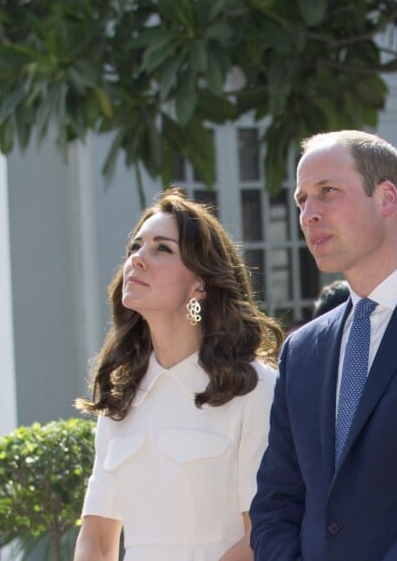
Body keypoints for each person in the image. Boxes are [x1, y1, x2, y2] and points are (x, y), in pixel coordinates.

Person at [250, 130, 397, 560]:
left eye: (327, 192)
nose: (308, 214)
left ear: (387, 198)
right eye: (301, 200)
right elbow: (276, 503)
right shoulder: (302, 352)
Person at [74, 188, 283, 561]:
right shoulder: (120, 400)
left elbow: (262, 534)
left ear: (199, 284)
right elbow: (96, 540)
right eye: (135, 247)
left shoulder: (253, 389)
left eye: (162, 249)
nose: (137, 259)